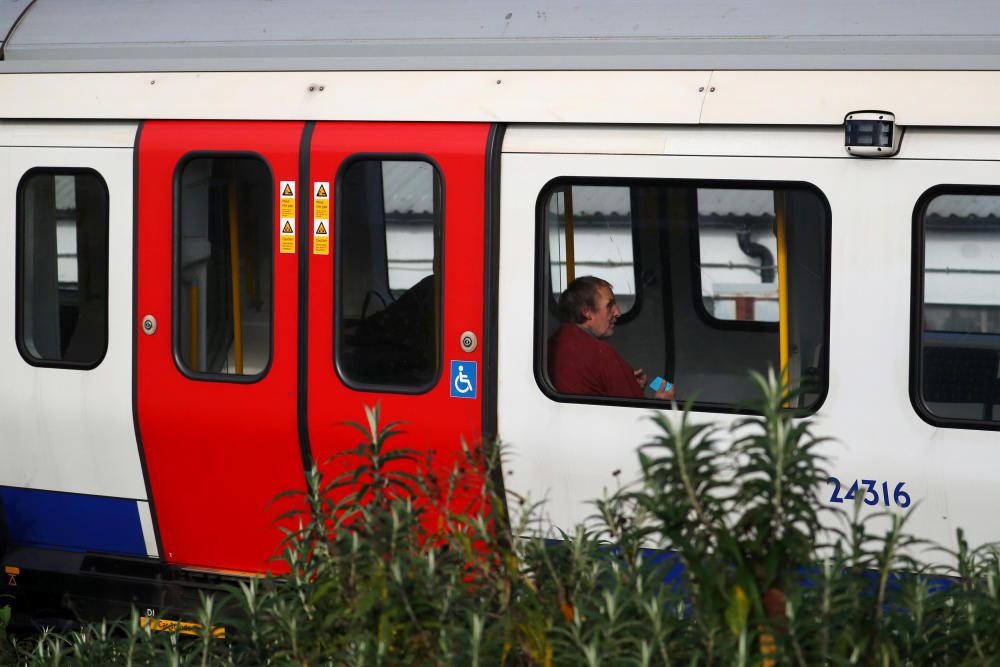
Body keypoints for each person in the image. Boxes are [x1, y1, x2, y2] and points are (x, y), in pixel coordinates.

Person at [549, 276, 675, 400]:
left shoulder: (554, 344)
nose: (618, 312)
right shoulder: (600, 353)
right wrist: (661, 404)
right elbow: (633, 413)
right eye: (610, 306)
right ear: (586, 311)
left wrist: (627, 382)